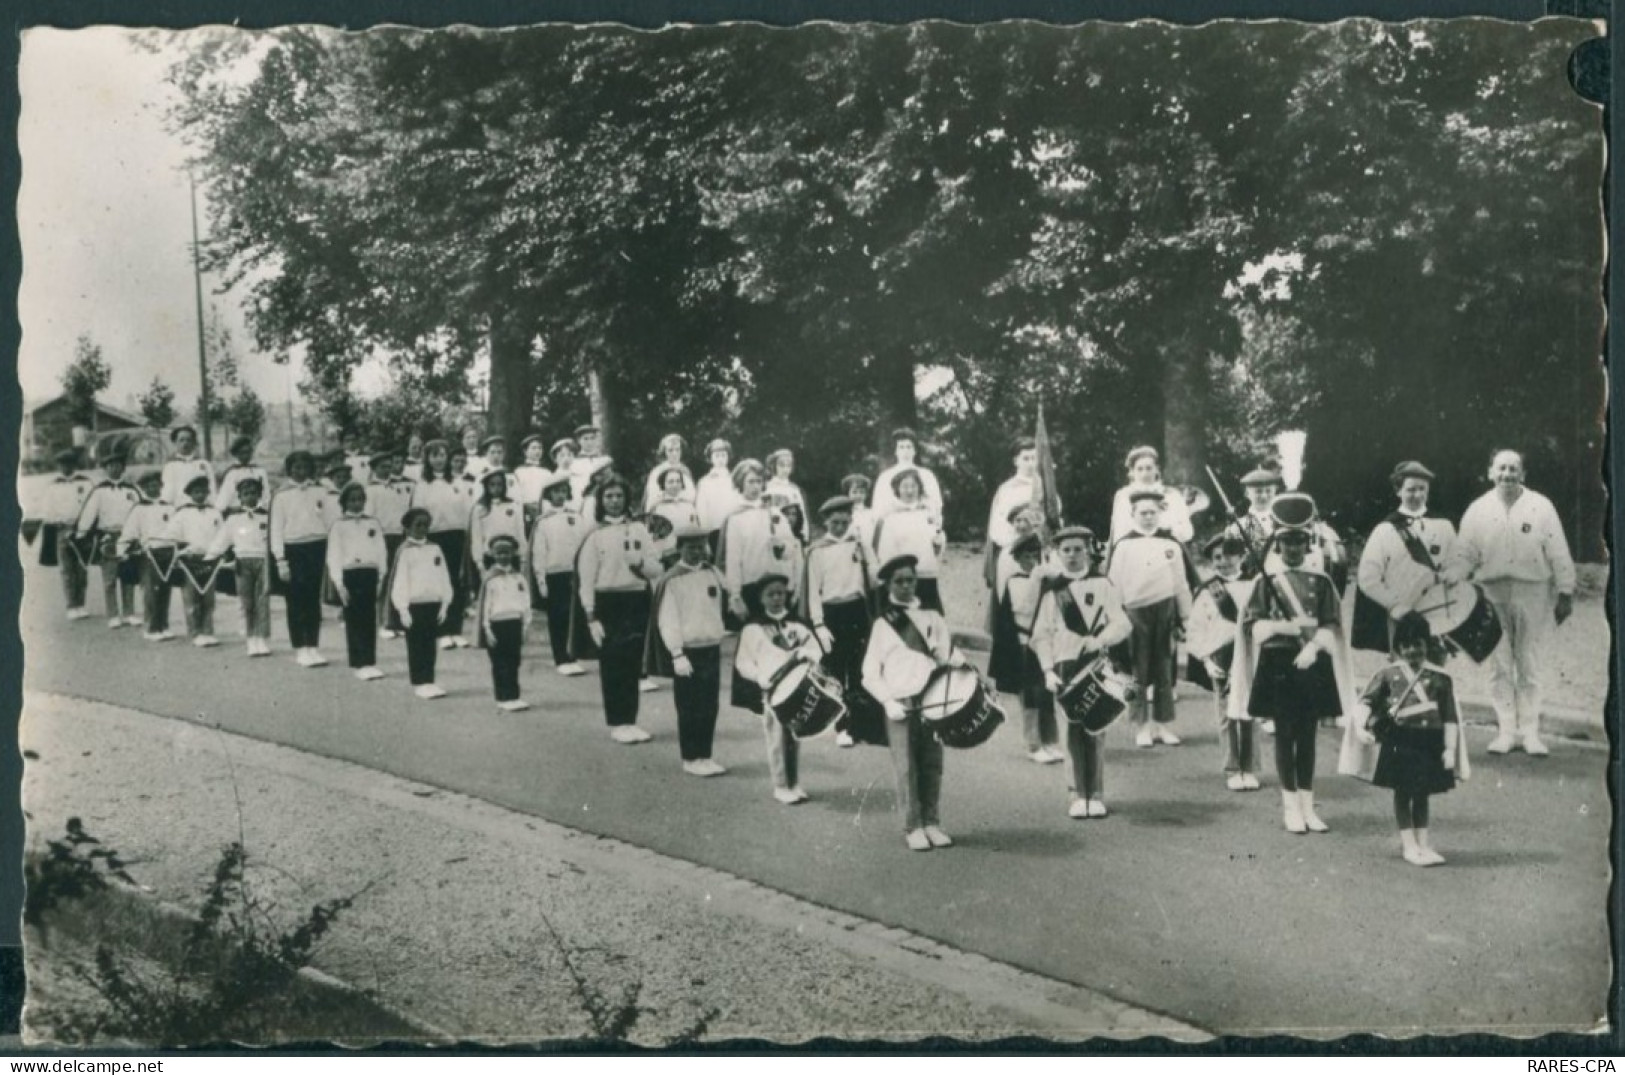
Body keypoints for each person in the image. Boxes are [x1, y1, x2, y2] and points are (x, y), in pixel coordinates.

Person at [1230, 494, 1354, 834]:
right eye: (1287, 542)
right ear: (1278, 545)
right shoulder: (1264, 581)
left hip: (1311, 660)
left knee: (1308, 736)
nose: (1294, 549)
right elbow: (1251, 625)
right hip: (1280, 663)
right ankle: (1290, 807)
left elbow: (1332, 622)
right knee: (1285, 736)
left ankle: (1307, 805)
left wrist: (1315, 646)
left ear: (1308, 543)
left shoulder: (1322, 581)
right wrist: (1282, 628)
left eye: (1300, 541)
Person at [1451, 449, 1577, 756]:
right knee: (1500, 663)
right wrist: (1451, 586)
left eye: (1514, 469)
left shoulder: (1540, 506)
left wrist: (1566, 591)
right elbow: (1464, 553)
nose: (1507, 474)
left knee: (1528, 661)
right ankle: (1506, 731)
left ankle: (1530, 733)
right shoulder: (1478, 509)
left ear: (1523, 474)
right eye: (1502, 468)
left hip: (1533, 590)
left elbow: (1558, 550)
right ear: (1490, 472)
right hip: (1491, 591)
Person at [863, 555, 969, 851]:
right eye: (899, 581)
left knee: (932, 764)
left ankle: (932, 822)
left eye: (910, 580)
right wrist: (887, 701)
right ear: (888, 586)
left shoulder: (933, 617)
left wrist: (970, 674)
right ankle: (913, 825)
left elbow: (948, 655)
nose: (906, 586)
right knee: (907, 767)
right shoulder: (884, 625)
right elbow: (868, 674)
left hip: (932, 700)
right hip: (901, 702)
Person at [1031, 527, 1134, 819]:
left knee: (1096, 727)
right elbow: (1041, 635)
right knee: (1071, 731)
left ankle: (1096, 793)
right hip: (1065, 664)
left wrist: (1100, 640)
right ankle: (1077, 794)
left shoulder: (1103, 584)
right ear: (1057, 553)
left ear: (1088, 550)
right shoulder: (1053, 592)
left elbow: (1122, 624)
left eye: (1078, 549)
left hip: (1096, 663)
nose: (1073, 555)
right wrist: (1048, 670)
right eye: (1066, 550)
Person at [1354, 613, 1468, 866]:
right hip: (1401, 740)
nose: (1412, 650)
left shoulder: (1441, 679)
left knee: (1423, 793)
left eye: (1417, 644)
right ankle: (1409, 845)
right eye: (1406, 646)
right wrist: (1360, 726)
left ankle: (1423, 844)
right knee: (1403, 792)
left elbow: (1449, 717)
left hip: (1430, 741)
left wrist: (1450, 749)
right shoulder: (1387, 675)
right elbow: (1366, 701)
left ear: (1426, 644)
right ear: (1398, 648)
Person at [577, 474, 661, 744]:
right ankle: (617, 721)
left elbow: (655, 567)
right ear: (601, 501)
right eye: (609, 497)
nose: (614, 502)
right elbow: (586, 578)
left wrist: (641, 567)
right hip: (608, 603)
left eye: (619, 496)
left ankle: (631, 720)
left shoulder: (638, 529)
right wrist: (591, 615)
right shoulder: (594, 535)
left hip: (635, 601)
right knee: (613, 663)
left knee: (633, 662)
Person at [1107, 491, 1193, 748]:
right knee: (1138, 669)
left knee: (1164, 670)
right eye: (1142, 513)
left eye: (1152, 512)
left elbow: (1180, 583)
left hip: (1164, 610)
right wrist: (1116, 617)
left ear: (1160, 513)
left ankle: (1163, 724)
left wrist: (1185, 617)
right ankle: (1141, 725)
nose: (1147, 517)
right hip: (1135, 612)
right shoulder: (1123, 545)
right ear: (1133, 515)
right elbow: (1114, 584)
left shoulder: (1171, 545)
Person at [1352, 461, 1459, 661]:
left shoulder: (1444, 526)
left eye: (1422, 489)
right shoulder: (1385, 530)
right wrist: (1395, 606)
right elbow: (1368, 578)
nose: (1417, 495)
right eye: (1410, 490)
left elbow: (1456, 565)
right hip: (1402, 615)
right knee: (1403, 675)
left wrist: (1452, 576)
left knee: (1435, 673)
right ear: (1397, 491)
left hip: (1436, 613)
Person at [644, 525, 729, 776]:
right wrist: (677, 653)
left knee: (709, 705)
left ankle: (706, 754)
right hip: (688, 652)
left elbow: (727, 595)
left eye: (701, 547)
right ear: (680, 548)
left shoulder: (712, 573)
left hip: (710, 647)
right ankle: (691, 757)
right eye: (690, 547)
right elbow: (667, 619)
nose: (696, 552)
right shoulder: (672, 580)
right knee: (690, 706)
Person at [734, 574, 824, 804]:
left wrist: (809, 654)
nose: (776, 599)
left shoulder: (798, 625)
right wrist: (759, 677)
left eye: (781, 593)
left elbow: (816, 649)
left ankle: (794, 782)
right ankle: (781, 785)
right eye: (770, 594)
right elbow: (743, 662)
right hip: (772, 689)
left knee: (795, 735)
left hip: (797, 687)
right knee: (776, 738)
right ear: (761, 598)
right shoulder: (753, 628)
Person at [802, 496, 880, 748]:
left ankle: (855, 725)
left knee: (858, 669)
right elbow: (813, 590)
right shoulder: (817, 550)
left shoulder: (857, 544)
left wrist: (866, 550)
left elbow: (876, 577)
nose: (839, 527)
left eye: (844, 522)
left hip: (856, 611)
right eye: (834, 522)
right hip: (831, 613)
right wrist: (819, 624)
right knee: (835, 670)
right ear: (825, 522)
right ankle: (838, 722)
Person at [1188, 534, 1258, 790]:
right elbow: (1195, 630)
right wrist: (1206, 660)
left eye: (1230, 555)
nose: (1224, 561)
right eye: (1217, 557)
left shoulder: (1256, 585)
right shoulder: (1208, 591)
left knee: (1250, 711)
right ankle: (1232, 768)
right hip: (1221, 655)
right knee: (1227, 714)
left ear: (1242, 556)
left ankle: (1249, 767)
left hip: (1249, 652)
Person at [989, 532, 1063, 764]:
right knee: (1030, 695)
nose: (1032, 560)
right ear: (1018, 559)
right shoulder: (1015, 581)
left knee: (1046, 694)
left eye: (1035, 555)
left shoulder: (1045, 579)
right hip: (1023, 642)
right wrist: (1036, 579)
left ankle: (1050, 740)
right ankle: (1033, 744)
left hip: (1044, 641)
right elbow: (1024, 608)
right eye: (1027, 556)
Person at [270, 450, 334, 667]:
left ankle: (313, 646)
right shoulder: (281, 495)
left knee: (313, 601)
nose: (301, 471)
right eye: (296, 468)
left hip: (317, 547)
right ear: (289, 470)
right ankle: (300, 648)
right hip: (293, 551)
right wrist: (280, 560)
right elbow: (276, 530)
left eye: (305, 467)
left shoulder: (321, 492)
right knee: (296, 601)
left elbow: (331, 522)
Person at [718, 459, 796, 636]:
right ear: (741, 484)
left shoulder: (775, 513)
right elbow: (733, 560)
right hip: (751, 587)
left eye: (759, 481)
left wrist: (782, 548)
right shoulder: (736, 518)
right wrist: (735, 595)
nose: (755, 486)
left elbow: (791, 550)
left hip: (776, 585)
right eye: (750, 482)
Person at [412, 440, 473, 650]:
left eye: (442, 455)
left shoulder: (457, 483)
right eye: (434, 455)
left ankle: (455, 629)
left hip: (456, 536)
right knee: (438, 582)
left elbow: (466, 512)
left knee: (456, 582)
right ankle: (442, 631)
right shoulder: (422, 485)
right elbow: (418, 515)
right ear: (427, 459)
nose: (439, 459)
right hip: (434, 538)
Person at [325, 481, 388, 681]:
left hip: (369, 573)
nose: (357, 503)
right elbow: (334, 555)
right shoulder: (338, 525)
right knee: (354, 619)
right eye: (352, 500)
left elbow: (381, 551)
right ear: (344, 502)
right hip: (350, 574)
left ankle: (370, 661)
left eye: (360, 499)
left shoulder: (373, 523)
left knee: (369, 619)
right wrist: (339, 583)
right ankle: (359, 662)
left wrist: (381, 576)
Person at [204, 474, 273, 657]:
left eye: (253, 493)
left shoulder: (267, 517)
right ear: (239, 497)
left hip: (263, 562)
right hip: (243, 563)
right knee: (246, 601)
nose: (250, 497)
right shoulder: (234, 519)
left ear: (259, 495)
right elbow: (222, 540)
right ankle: (251, 639)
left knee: (262, 601)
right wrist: (210, 556)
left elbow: (274, 540)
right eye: (245, 493)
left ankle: (262, 638)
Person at [390, 507, 454, 699]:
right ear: (407, 528)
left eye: (426, 525)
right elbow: (400, 580)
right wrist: (402, 609)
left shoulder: (435, 548)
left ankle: (429, 680)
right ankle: (419, 682)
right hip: (414, 605)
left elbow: (443, 576)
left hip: (432, 603)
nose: (422, 529)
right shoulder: (405, 552)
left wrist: (445, 602)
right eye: (418, 525)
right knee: (416, 644)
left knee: (430, 643)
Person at [74, 450, 142, 628]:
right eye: (110, 466)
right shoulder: (99, 491)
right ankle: (113, 614)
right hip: (108, 537)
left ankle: (129, 613)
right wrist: (81, 532)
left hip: (128, 537)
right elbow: (89, 512)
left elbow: (141, 512)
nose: (114, 469)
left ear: (123, 468)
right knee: (110, 578)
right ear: (105, 469)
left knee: (128, 576)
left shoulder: (132, 490)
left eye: (118, 465)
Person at [531, 474, 590, 677]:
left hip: (574, 572)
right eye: (556, 491)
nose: (560, 495)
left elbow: (585, 544)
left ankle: (572, 654)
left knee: (574, 615)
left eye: (563, 491)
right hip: (554, 574)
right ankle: (561, 658)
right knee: (557, 617)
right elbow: (539, 552)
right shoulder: (543, 522)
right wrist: (541, 580)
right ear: (549, 495)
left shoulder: (576, 516)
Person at [870, 469, 945, 613]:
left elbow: (938, 542)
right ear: (897, 490)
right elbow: (886, 552)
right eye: (905, 487)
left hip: (926, 573)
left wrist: (938, 542)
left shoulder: (928, 513)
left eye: (913, 486)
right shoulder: (890, 517)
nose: (909, 491)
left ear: (919, 488)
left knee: (929, 616)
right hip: (903, 578)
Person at [117, 469, 176, 642]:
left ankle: (164, 625)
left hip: (168, 553)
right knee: (151, 591)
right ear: (143, 488)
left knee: (165, 589)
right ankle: (151, 627)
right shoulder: (139, 509)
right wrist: (122, 550)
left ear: (161, 486)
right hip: (149, 555)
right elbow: (129, 532)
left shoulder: (170, 507)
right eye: (148, 486)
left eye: (156, 485)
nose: (153, 489)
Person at [167, 474, 224, 648]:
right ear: (190, 494)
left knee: (208, 598)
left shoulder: (215, 512)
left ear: (208, 492)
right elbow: (173, 534)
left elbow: (222, 534)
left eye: (203, 491)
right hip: (190, 560)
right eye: (196, 492)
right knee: (191, 597)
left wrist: (219, 552)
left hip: (209, 559)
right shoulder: (182, 513)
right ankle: (195, 631)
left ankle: (208, 630)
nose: (200, 495)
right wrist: (181, 552)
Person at [477, 534, 533, 712]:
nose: (503, 556)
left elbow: (525, 602)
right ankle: (503, 696)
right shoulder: (491, 579)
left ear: (513, 554)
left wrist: (525, 625)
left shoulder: (518, 578)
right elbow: (485, 606)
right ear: (493, 554)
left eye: (507, 552)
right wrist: (487, 629)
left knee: (514, 660)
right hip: (497, 624)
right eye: (499, 553)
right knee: (500, 662)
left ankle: (514, 696)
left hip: (515, 623)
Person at [41, 448, 95, 620]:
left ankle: (81, 604)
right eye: (62, 464)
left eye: (69, 463)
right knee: (67, 569)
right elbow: (48, 511)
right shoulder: (52, 486)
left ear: (74, 464)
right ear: (58, 465)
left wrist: (84, 527)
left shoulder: (85, 483)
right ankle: (71, 605)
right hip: (62, 530)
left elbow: (91, 506)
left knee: (81, 568)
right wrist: (60, 524)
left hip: (82, 530)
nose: (65, 467)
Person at [367, 449, 413, 639]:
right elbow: (369, 518)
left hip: (398, 536)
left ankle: (395, 621)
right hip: (381, 537)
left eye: (389, 466)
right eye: (382, 467)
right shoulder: (370, 490)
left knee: (398, 579)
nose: (387, 470)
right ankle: (382, 623)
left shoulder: (398, 487)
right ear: (374, 469)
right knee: (383, 579)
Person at [1109, 446, 1194, 545]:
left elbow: (1187, 532)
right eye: (1139, 469)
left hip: (1167, 549)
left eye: (1149, 468)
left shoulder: (1172, 496)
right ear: (1132, 472)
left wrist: (1168, 530)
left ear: (1157, 469)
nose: (1144, 474)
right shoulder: (1124, 496)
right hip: (1134, 550)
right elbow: (1119, 534)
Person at [871, 429, 943, 524]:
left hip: (920, 524)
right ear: (895, 451)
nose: (905, 451)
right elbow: (878, 507)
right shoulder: (885, 477)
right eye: (901, 447)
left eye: (909, 447)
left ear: (915, 451)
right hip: (893, 525)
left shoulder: (926, 475)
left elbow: (936, 505)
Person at [469, 469, 528, 583]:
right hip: (491, 557)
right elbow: (476, 537)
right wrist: (479, 563)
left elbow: (520, 532)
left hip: (511, 556)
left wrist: (523, 559)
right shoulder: (480, 509)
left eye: (499, 484)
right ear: (486, 486)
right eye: (492, 484)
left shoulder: (513, 506)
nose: (496, 488)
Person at [648, 469, 702, 568]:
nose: (675, 485)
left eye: (678, 481)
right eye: (671, 481)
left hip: (690, 554)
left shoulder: (689, 505)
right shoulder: (658, 508)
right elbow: (655, 538)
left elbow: (695, 529)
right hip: (668, 555)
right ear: (663, 484)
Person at [693, 438, 740, 549]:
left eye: (723, 455)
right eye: (717, 456)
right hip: (713, 530)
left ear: (728, 457)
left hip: (733, 529)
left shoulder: (734, 479)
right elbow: (701, 510)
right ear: (711, 458)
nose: (720, 459)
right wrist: (705, 533)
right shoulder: (705, 482)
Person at [160, 426, 214, 507]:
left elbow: (212, 487)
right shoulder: (170, 466)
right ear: (175, 443)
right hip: (179, 508)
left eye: (189, 440)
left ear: (194, 442)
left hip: (202, 508)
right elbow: (168, 490)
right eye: (181, 440)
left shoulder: (204, 464)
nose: (185, 443)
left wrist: (212, 506)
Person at [214, 436, 269, 514]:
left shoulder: (260, 471)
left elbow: (266, 495)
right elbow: (224, 499)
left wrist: (264, 509)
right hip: (238, 512)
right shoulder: (232, 473)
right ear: (236, 454)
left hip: (258, 512)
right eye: (242, 453)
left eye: (248, 452)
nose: (246, 456)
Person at [643, 433, 695, 513]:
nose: (674, 453)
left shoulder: (685, 471)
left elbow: (692, 495)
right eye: (670, 450)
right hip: (663, 511)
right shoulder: (657, 471)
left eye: (677, 450)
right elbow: (652, 498)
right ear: (664, 452)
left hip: (684, 511)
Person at [512, 434, 554, 527]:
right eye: (533, 448)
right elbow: (516, 495)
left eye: (540, 448)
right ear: (525, 451)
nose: (537, 451)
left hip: (544, 510)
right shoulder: (519, 472)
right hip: (525, 511)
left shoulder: (547, 472)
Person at [762, 449, 808, 521]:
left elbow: (802, 516)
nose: (785, 469)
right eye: (781, 465)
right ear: (774, 466)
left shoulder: (794, 490)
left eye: (788, 465)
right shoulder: (767, 488)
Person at [571, 425, 613, 497]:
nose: (589, 442)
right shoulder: (574, 462)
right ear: (579, 441)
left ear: (596, 440)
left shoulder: (602, 460)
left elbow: (610, 480)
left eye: (592, 438)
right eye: (585, 439)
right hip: (582, 496)